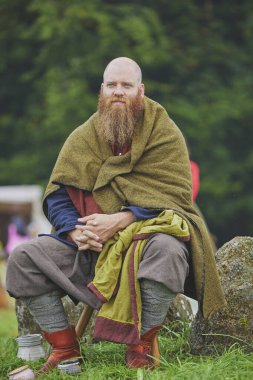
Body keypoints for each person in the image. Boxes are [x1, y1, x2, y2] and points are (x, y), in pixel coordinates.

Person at [6, 57, 225, 373]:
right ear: (102, 89)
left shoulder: (164, 133)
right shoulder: (83, 136)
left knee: (168, 250)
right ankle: (66, 349)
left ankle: (141, 346)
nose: (118, 92)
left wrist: (121, 220)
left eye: (126, 85)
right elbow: (57, 195)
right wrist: (73, 230)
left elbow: (174, 197)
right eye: (112, 85)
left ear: (141, 90)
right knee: (23, 258)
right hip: (89, 248)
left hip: (143, 245)